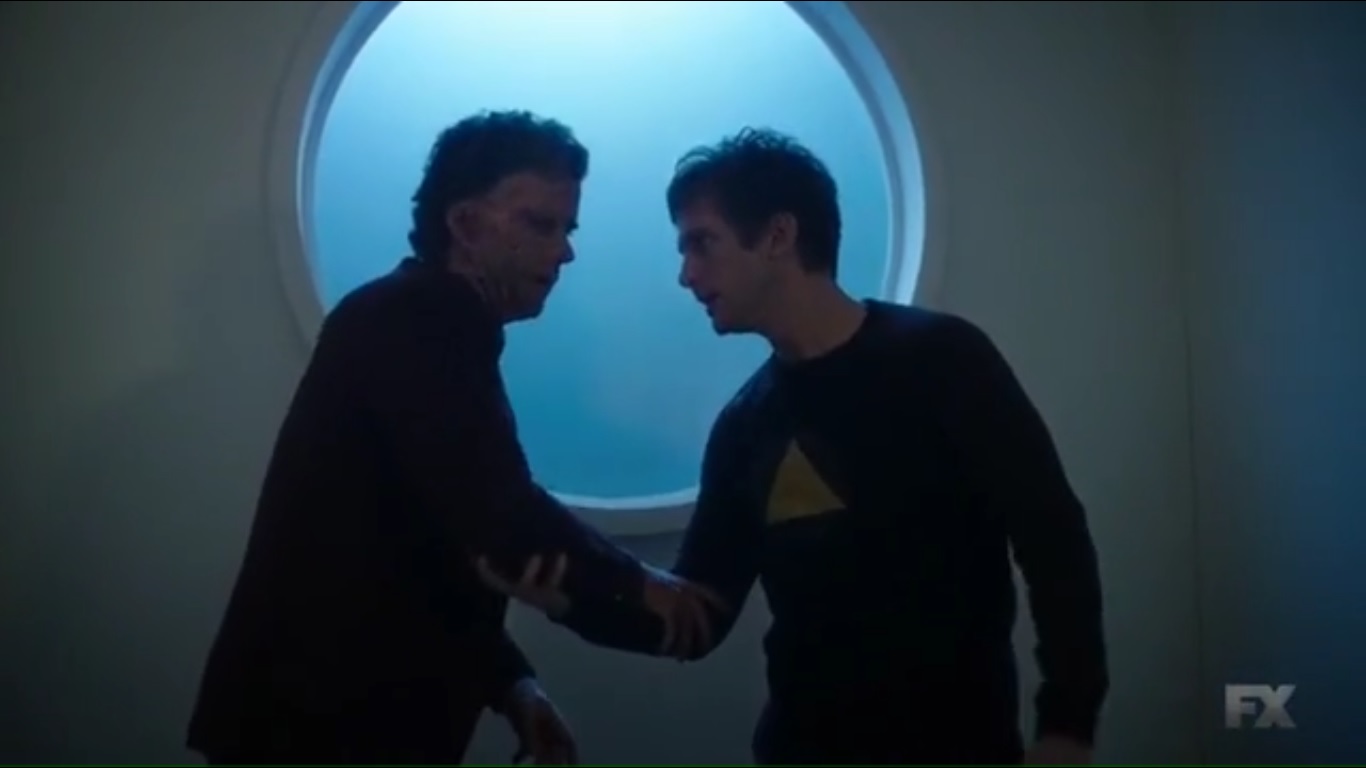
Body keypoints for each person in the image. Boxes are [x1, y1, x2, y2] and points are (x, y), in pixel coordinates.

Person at [477, 128, 1109, 765]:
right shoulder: (745, 426)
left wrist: (1068, 725)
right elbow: (699, 615)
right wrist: (567, 597)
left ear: (778, 236)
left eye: (702, 244)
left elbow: (1051, 534)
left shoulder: (942, 359)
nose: (686, 275)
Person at [187, 111, 720, 766]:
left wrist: (513, 686)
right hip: (315, 731)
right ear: (465, 224)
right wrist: (641, 588)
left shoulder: (415, 321)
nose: (565, 252)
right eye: (542, 224)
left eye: (567, 229)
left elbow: (433, 544)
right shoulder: (419, 320)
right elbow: (500, 515)